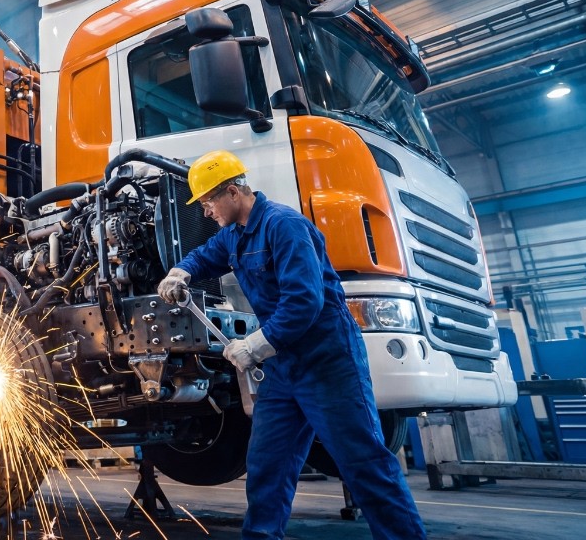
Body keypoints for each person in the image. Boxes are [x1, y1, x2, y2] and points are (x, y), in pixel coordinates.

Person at [157, 150, 426, 540]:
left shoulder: (285, 227)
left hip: (327, 360)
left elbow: (304, 303)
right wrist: (182, 270)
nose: (205, 212)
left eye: (209, 202)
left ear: (233, 192)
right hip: (284, 368)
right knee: (268, 465)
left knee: (363, 461)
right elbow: (206, 255)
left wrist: (254, 346)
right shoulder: (234, 235)